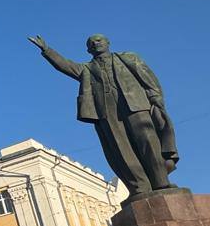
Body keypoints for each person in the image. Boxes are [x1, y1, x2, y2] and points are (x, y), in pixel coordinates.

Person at [29, 34, 178, 200]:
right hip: (107, 112)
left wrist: (155, 96)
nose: (95, 43)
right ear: (88, 50)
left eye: (99, 40)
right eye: (91, 43)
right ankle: (140, 187)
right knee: (122, 150)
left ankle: (161, 182)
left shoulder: (128, 58)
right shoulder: (87, 69)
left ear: (108, 43)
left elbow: (147, 76)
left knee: (149, 142)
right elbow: (66, 66)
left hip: (136, 105)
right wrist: (47, 50)